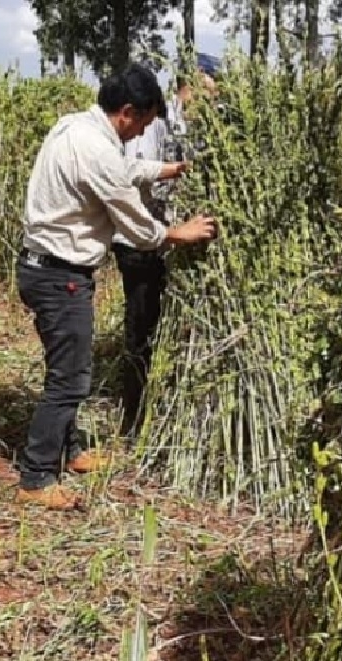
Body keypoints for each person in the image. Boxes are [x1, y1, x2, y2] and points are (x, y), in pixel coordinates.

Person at [15, 62, 218, 510]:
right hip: (59, 275)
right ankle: (36, 475)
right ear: (127, 111)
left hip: (43, 267)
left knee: (65, 366)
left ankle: (71, 453)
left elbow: (124, 169)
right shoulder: (97, 151)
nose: (139, 132)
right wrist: (175, 233)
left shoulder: (75, 127)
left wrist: (168, 169)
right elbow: (131, 213)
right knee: (70, 378)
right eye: (142, 123)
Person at [114, 54, 220, 438]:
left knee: (161, 328)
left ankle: (159, 409)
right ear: (187, 86)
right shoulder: (153, 124)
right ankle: (134, 420)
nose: (211, 102)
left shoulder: (193, 128)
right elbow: (130, 181)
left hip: (167, 241)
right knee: (141, 330)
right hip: (140, 243)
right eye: (208, 93)